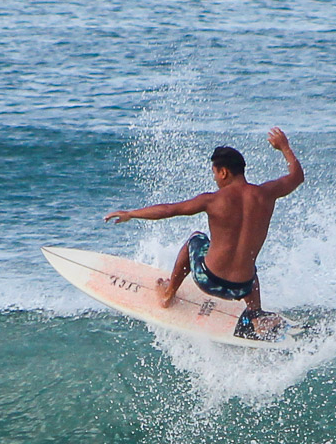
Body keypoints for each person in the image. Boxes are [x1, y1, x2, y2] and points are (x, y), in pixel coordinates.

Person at [104, 128, 304, 339]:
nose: (215, 179)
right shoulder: (267, 193)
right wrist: (284, 147)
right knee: (247, 259)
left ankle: (168, 293)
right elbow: (297, 176)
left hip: (208, 280)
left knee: (196, 239)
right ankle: (255, 315)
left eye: (215, 173)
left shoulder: (213, 200)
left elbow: (168, 210)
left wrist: (131, 213)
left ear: (224, 172)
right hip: (242, 288)